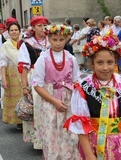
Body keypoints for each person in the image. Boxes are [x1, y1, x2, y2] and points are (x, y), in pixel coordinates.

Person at [63, 33, 121, 160]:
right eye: (100, 62)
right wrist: (88, 154)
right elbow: (81, 125)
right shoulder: (84, 87)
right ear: (92, 64)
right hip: (93, 144)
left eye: (110, 62)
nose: (105, 67)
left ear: (115, 62)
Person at [32, 24, 81, 159]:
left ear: (66, 39)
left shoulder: (71, 58)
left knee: (70, 134)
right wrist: (54, 101)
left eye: (61, 39)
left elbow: (77, 80)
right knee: (51, 134)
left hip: (68, 101)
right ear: (48, 39)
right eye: (54, 39)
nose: (58, 43)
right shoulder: (43, 59)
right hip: (50, 100)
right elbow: (37, 85)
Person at [18, 15, 50, 149]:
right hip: (35, 77)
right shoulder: (27, 43)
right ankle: (40, 141)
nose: (43, 28)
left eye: (44, 25)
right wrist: (24, 87)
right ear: (33, 28)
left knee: (52, 110)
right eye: (39, 26)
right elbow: (23, 67)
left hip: (52, 78)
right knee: (38, 109)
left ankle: (52, 138)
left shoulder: (53, 40)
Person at [0, 22, 22, 130]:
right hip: (12, 75)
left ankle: (28, 119)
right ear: (8, 32)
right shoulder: (5, 46)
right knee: (16, 98)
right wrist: (3, 79)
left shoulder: (25, 43)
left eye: (16, 30)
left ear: (19, 31)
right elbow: (3, 63)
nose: (14, 32)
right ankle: (19, 121)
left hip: (25, 74)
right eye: (12, 30)